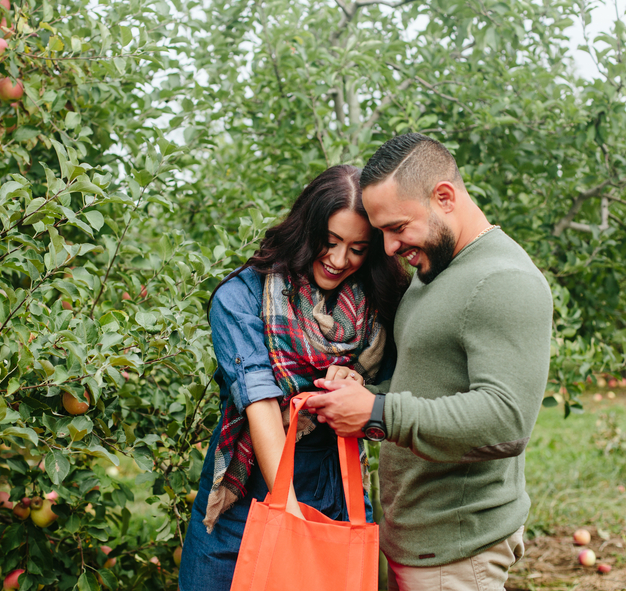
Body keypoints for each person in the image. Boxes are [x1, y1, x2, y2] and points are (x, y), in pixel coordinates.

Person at [305, 133, 554, 591]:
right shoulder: (435, 268)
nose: (389, 247)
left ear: (444, 197)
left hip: (457, 547)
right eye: (382, 232)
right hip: (420, 540)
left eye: (398, 227)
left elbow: (507, 421)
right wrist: (363, 395)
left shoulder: (504, 281)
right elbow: (425, 387)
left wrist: (376, 413)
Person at [178, 164, 409, 591]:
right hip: (248, 491)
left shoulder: (379, 305)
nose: (340, 260)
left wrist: (358, 387)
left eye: (357, 248)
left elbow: (394, 393)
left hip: (335, 483)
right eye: (330, 242)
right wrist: (287, 515)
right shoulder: (242, 296)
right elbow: (260, 403)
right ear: (307, 229)